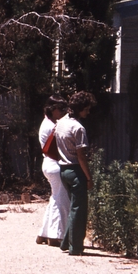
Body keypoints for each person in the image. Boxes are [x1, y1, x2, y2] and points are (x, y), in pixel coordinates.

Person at [54, 91, 97, 256]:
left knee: (74, 207)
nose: (88, 112)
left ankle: (66, 242)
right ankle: (76, 247)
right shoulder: (78, 128)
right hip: (75, 169)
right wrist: (89, 177)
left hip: (63, 169)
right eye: (86, 109)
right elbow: (81, 156)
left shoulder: (61, 122)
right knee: (79, 210)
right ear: (80, 109)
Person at [36, 95, 69, 247]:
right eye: (61, 109)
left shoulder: (47, 123)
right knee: (61, 199)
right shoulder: (52, 126)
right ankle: (55, 235)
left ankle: (44, 233)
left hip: (49, 164)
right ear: (53, 110)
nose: (63, 112)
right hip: (55, 164)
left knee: (55, 197)